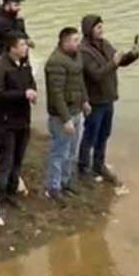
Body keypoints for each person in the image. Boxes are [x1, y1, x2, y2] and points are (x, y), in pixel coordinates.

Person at [77, 15, 139, 186]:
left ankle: (99, 164)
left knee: (104, 134)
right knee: (90, 135)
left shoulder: (105, 43)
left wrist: (132, 54)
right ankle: (83, 168)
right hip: (95, 101)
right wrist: (114, 62)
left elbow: (119, 61)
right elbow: (96, 74)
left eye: (102, 27)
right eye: (98, 27)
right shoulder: (83, 51)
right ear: (89, 30)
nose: (101, 30)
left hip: (108, 98)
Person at [0, 33, 36, 210]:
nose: (26, 48)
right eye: (22, 45)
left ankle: (12, 190)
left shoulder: (24, 63)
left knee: (18, 158)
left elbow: (31, 83)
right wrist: (23, 94)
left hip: (23, 119)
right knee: (6, 159)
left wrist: (32, 91)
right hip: (5, 121)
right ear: (12, 47)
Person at [44, 27, 91, 203]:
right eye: (75, 40)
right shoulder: (56, 62)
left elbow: (80, 81)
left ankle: (65, 181)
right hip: (62, 116)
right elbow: (56, 94)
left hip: (76, 110)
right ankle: (53, 187)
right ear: (64, 42)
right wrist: (66, 119)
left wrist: (85, 100)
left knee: (72, 151)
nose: (78, 44)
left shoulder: (76, 56)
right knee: (59, 152)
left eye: (78, 40)